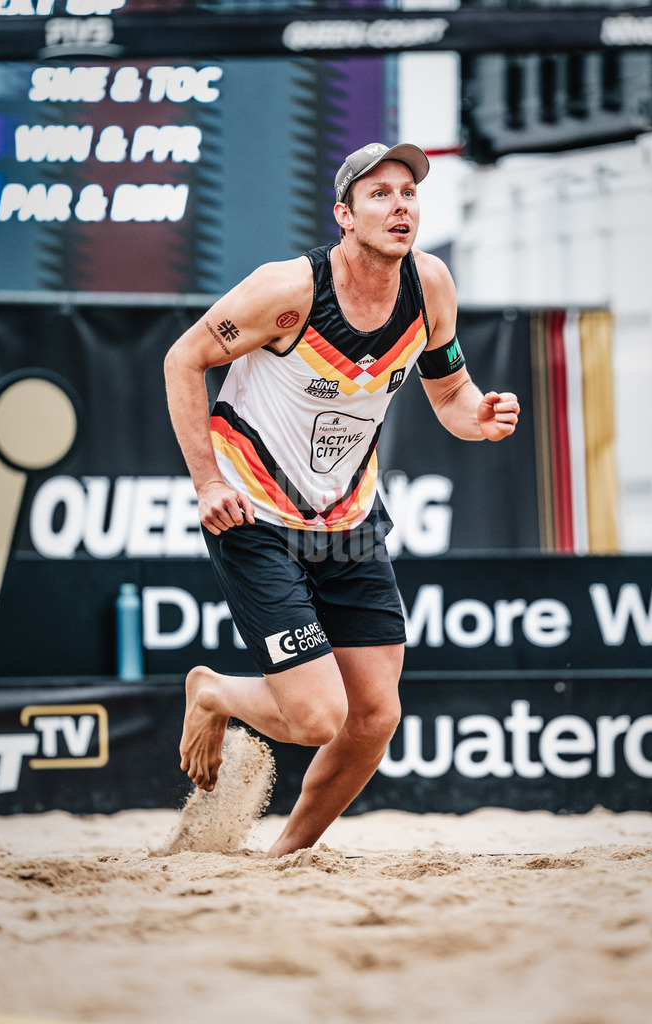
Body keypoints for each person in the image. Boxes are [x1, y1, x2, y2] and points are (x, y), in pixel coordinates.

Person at [164, 142, 520, 858]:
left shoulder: (429, 286)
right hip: (257, 516)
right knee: (319, 716)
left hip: (350, 523)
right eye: (379, 194)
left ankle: (285, 859)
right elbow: (183, 358)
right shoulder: (288, 290)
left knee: (374, 717)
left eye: (409, 193)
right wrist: (208, 482)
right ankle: (211, 693)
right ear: (344, 215)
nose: (399, 206)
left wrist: (477, 415)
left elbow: (449, 393)